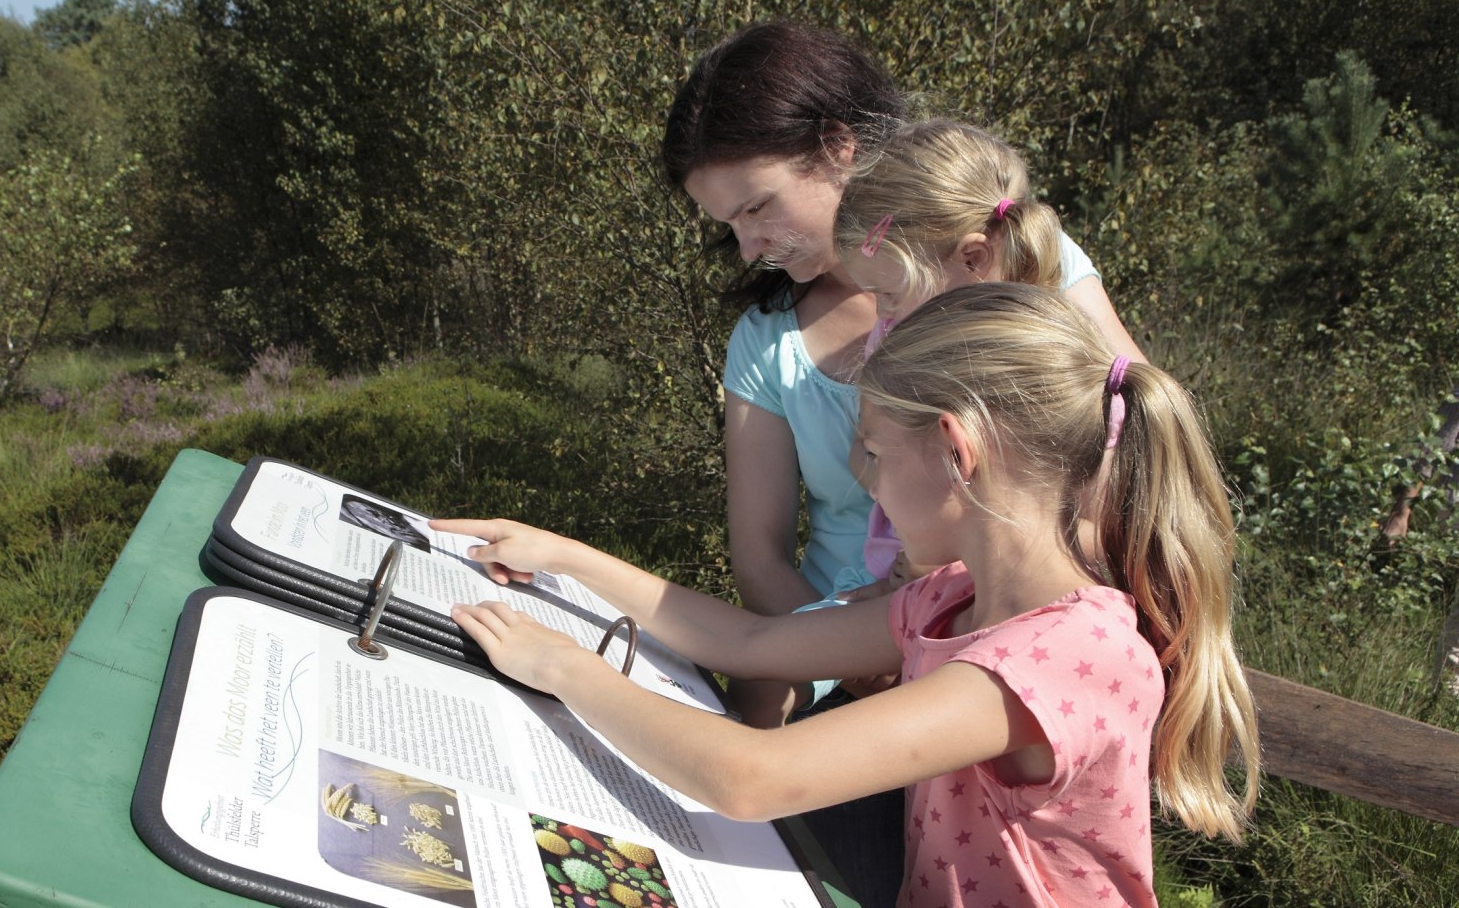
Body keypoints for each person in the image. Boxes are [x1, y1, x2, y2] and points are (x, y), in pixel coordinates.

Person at [440, 284, 1259, 908]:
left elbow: (750, 776)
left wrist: (564, 667)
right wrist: (567, 558)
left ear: (955, 451)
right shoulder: (952, 600)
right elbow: (752, 645)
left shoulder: (1067, 656)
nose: (865, 486)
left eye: (870, 451)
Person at [662, 22, 1144, 728]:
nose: (747, 248)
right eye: (729, 224)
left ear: (837, 147)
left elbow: (1129, 443)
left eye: (758, 207)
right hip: (838, 643)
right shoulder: (766, 343)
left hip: (1010, 636)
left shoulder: (1012, 251)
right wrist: (852, 654)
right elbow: (759, 555)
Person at [830, 117, 1148, 588]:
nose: (880, 312)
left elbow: (1112, 526)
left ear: (973, 258)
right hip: (910, 583)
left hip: (1020, 602)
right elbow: (867, 448)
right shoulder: (894, 336)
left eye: (890, 291)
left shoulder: (1048, 364)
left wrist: (954, 558)